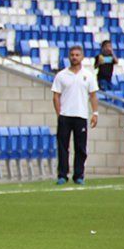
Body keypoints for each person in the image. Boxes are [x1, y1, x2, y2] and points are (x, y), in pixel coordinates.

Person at [52, 46, 98, 185]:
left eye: (77, 55)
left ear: (82, 57)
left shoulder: (88, 75)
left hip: (81, 115)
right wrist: (59, 113)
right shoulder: (61, 75)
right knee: (62, 147)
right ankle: (62, 175)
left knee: (80, 148)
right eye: (72, 55)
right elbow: (56, 96)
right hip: (65, 115)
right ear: (69, 57)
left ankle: (79, 175)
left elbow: (93, 95)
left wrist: (95, 113)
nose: (74, 57)